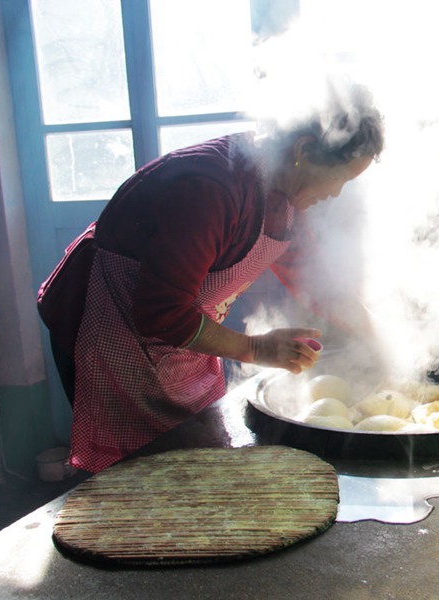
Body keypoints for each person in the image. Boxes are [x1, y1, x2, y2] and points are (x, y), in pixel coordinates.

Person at [37, 81, 384, 473]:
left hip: (175, 340)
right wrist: (256, 349)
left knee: (192, 465)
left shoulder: (284, 194)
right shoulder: (211, 190)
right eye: (339, 178)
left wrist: (385, 347)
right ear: (303, 151)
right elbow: (160, 313)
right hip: (109, 334)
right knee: (137, 478)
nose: (336, 193)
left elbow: (320, 286)